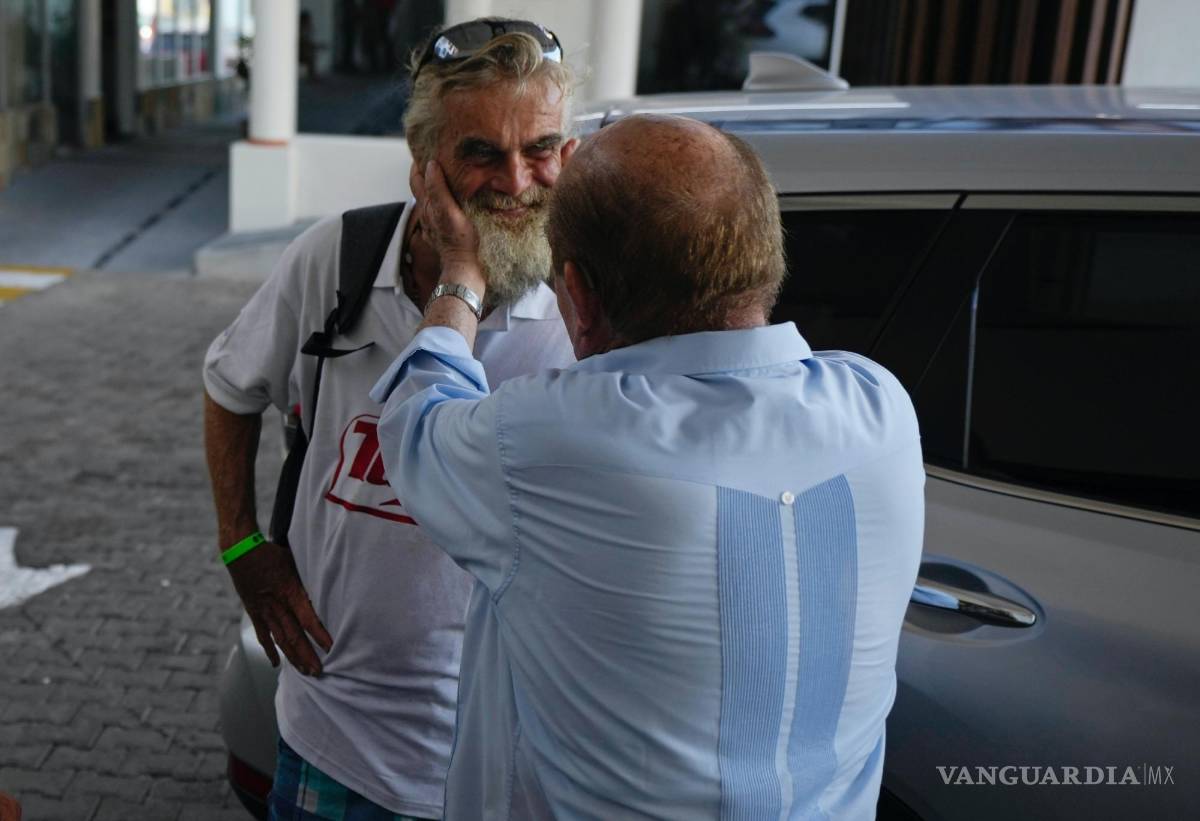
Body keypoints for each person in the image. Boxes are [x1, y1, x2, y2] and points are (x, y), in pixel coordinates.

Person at [371, 114, 926, 819]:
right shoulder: (881, 406)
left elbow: (416, 418)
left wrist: (459, 275)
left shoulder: (554, 438)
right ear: (766, 256)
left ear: (579, 295)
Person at [203, 19, 577, 820]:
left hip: (506, 761)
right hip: (334, 739)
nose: (517, 181)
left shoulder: (585, 305)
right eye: (480, 153)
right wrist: (241, 544)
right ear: (424, 166)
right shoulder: (336, 259)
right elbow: (229, 384)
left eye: (540, 147)